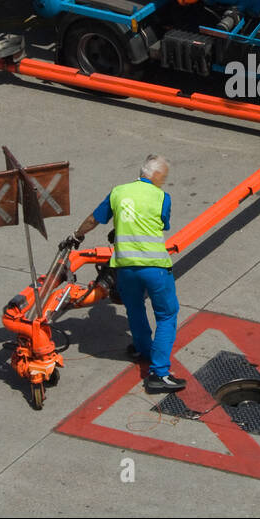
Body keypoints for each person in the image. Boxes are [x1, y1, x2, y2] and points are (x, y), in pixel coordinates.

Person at [72, 154, 184, 393]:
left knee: (135, 309)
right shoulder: (162, 197)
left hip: (124, 267)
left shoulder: (118, 192)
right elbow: (163, 224)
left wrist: (77, 235)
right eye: (163, 177)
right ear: (155, 176)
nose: (163, 181)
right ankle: (159, 373)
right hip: (154, 267)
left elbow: (94, 219)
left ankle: (142, 349)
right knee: (167, 315)